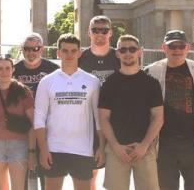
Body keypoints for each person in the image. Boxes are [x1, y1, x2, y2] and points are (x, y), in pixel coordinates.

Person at [34, 34, 104, 190]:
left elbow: (98, 118)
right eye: (65, 51)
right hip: (54, 148)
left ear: (80, 52)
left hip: (83, 149)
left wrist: (101, 146)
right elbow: (39, 118)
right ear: (58, 53)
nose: (69, 55)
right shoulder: (47, 81)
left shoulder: (92, 81)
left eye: (73, 51)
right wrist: (43, 149)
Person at [99, 35, 163, 190]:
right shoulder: (109, 83)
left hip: (144, 149)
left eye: (132, 49)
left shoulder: (151, 83)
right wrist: (115, 146)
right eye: (123, 49)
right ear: (117, 53)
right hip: (116, 150)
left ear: (139, 52)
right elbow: (103, 118)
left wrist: (144, 145)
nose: (128, 53)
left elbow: (158, 118)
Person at [145, 30, 194, 190]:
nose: (177, 50)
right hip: (164, 143)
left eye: (180, 46)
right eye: (172, 46)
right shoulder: (151, 71)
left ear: (187, 48)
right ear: (164, 47)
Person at [78, 15, 120, 189]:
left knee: (116, 175)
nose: (99, 33)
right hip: (88, 120)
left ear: (110, 32)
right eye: (95, 30)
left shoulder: (120, 55)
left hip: (116, 120)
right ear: (89, 32)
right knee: (90, 174)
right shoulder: (80, 57)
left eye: (104, 30)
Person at [12, 32, 58, 190]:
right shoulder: (14, 70)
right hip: (21, 128)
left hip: (47, 128)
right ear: (22, 50)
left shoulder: (53, 69)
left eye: (35, 48)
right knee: (23, 173)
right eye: (27, 48)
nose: (31, 52)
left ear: (42, 50)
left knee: (47, 171)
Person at [0, 54, 36, 190]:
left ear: (13, 70)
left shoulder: (23, 91)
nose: (4, 72)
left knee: (18, 187)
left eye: (8, 68)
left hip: (19, 144)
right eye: (0, 68)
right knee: (0, 187)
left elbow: (32, 123)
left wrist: (32, 151)